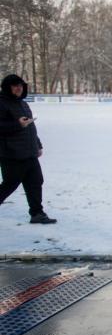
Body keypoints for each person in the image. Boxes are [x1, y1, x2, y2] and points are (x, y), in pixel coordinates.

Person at [0, 74, 56, 224]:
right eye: (15, 85)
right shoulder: (2, 103)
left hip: (29, 152)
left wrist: (37, 145)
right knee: (9, 185)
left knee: (36, 181)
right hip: (12, 154)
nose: (19, 88)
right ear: (7, 87)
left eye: (21, 86)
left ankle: (37, 213)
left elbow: (30, 126)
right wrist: (17, 125)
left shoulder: (23, 104)